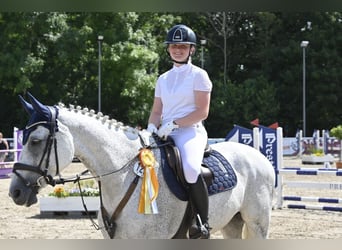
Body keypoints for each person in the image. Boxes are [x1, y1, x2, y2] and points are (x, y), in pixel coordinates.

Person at [147, 24, 212, 239]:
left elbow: (202, 112)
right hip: (164, 132)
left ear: (191, 49)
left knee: (191, 169)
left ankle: (201, 222)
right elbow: (157, 111)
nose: (178, 50)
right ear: (168, 49)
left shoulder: (199, 75)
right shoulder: (163, 79)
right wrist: (150, 129)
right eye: (174, 46)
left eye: (183, 46)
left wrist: (174, 124)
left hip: (189, 131)